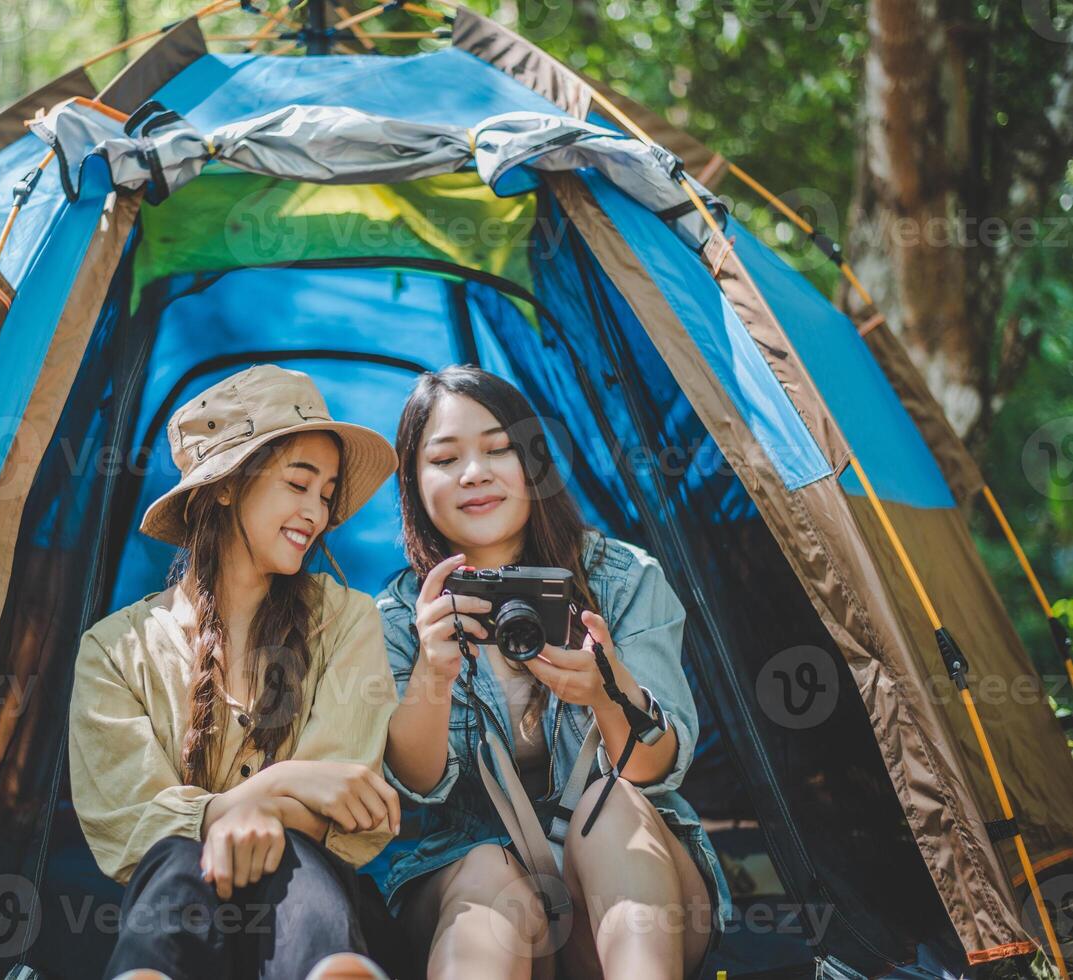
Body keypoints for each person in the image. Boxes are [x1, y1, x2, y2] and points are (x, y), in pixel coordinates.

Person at [371, 365, 731, 980]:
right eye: (445, 458)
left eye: (498, 448)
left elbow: (655, 766)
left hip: (631, 898)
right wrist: (433, 673)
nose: (474, 473)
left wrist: (606, 689)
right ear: (413, 483)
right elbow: (414, 784)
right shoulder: (404, 614)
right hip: (485, 899)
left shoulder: (622, 579)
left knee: (611, 802)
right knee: (484, 867)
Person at [69, 364, 404, 980]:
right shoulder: (115, 650)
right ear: (224, 487)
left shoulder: (348, 620)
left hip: (314, 909)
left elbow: (348, 807)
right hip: (189, 913)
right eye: (299, 484)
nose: (318, 512)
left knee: (294, 855)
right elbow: (129, 828)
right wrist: (284, 785)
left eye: (327, 495)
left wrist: (229, 812)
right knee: (173, 861)